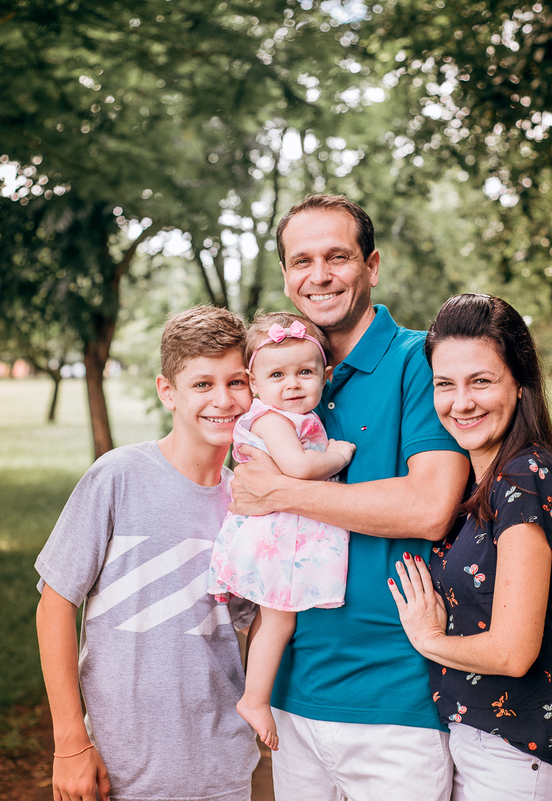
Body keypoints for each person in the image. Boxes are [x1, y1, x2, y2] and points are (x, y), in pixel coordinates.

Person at [229, 195, 471, 801]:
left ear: (372, 265)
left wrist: (284, 491)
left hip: (395, 695)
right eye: (301, 260)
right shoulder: (278, 377)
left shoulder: (420, 359)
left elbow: (429, 507)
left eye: (337, 256)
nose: (319, 275)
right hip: (295, 690)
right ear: (286, 276)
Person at [387, 293, 552, 800]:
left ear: (520, 382)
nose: (460, 402)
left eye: (481, 381)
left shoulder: (526, 477)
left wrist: (428, 640)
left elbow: (513, 652)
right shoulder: (480, 482)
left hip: (527, 752)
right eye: (444, 384)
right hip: (486, 743)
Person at [35, 306, 260, 801]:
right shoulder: (118, 477)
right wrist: (70, 743)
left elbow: (251, 625)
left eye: (237, 382)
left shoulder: (250, 504)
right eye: (202, 384)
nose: (223, 400)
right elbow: (55, 605)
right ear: (167, 392)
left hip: (221, 767)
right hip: (118, 769)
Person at [208, 311, 356, 751]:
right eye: (277, 374)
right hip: (276, 538)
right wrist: (338, 455)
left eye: (305, 372)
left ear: (324, 376)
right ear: (254, 383)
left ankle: (257, 695)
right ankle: (254, 699)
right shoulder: (271, 419)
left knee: (278, 619)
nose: (292, 384)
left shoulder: (291, 415)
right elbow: (298, 467)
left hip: (283, 532)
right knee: (279, 620)